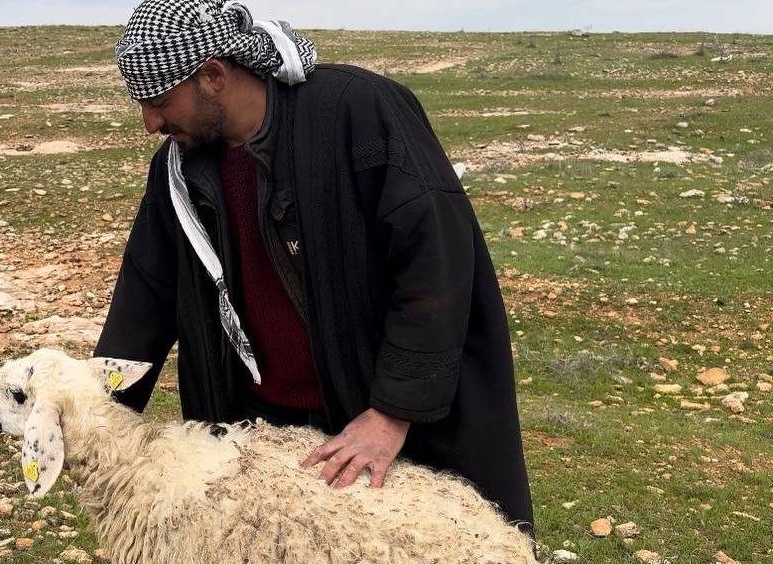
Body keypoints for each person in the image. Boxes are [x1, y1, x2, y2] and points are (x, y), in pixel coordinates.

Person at [94, 0, 533, 532]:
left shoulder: (358, 112)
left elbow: (435, 265)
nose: (149, 123)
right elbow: (147, 297)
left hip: (376, 424)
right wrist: (95, 416)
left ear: (212, 76)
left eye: (159, 101)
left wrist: (391, 414)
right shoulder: (176, 174)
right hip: (263, 434)